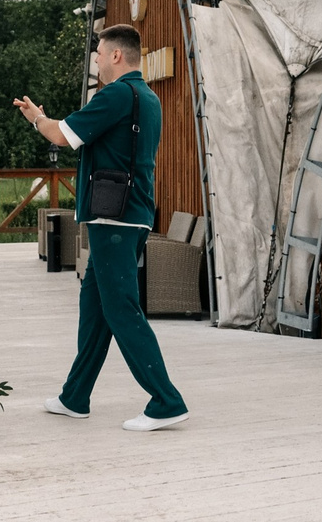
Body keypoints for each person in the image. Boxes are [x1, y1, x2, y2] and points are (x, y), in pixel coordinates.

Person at [15, 25, 191, 430]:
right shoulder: (147, 97)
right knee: (95, 307)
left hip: (114, 217)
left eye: (98, 52)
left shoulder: (115, 95)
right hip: (129, 214)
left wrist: (36, 117)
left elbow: (61, 135)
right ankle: (74, 397)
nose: (95, 58)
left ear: (116, 56)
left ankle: (166, 399)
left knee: (121, 307)